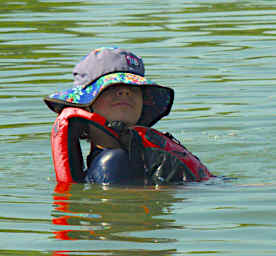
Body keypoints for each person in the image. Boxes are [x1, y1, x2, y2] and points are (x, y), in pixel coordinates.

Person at [44, 47, 214, 185]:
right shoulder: (111, 162)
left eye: (133, 88)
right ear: (86, 105)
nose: (125, 92)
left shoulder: (142, 155)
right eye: (110, 87)